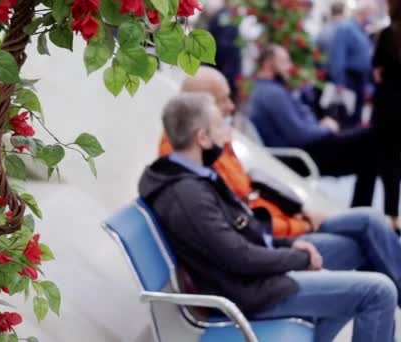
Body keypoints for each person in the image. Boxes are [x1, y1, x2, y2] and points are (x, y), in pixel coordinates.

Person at [141, 93, 397, 342]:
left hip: (257, 278)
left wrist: (289, 245)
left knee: (361, 252)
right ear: (203, 138)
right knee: (379, 291)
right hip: (252, 292)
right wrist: (300, 257)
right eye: (221, 126)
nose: (228, 133)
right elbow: (239, 257)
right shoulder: (188, 194)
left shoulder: (192, 177)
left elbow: (243, 232)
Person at [249, 44, 376, 208]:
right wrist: (326, 129)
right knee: (370, 142)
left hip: (306, 149)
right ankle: (362, 213)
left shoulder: (266, 90)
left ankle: (362, 212)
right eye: (285, 61)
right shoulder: (272, 94)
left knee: (370, 146)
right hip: (302, 156)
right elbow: (299, 135)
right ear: (268, 64)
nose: (289, 67)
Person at [371, 0, 401, 230]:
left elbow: (377, 70)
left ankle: (392, 215)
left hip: (388, 104)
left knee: (389, 160)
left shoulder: (387, 35)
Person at [328, 2, 375, 127]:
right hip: (349, 79)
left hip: (360, 80)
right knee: (347, 116)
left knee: (357, 117)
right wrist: (339, 82)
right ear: (363, 12)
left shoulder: (362, 29)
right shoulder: (345, 28)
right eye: (371, 12)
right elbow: (338, 56)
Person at [208, 0, 241, 103]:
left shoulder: (221, 13)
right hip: (224, 68)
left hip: (214, 65)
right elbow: (226, 47)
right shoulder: (230, 15)